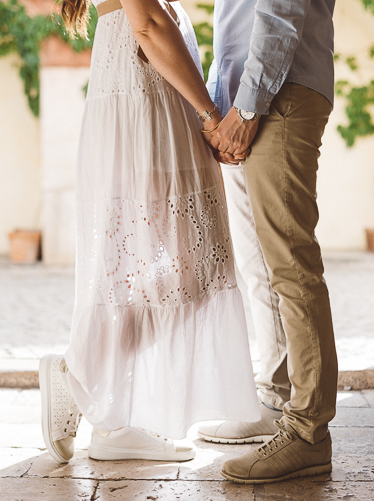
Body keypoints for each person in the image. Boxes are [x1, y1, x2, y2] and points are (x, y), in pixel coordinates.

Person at [38, 0, 260, 465]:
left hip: (146, 92)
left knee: (163, 265)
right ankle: (92, 388)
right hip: (145, 97)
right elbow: (149, 22)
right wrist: (211, 114)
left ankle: (110, 413)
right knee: (192, 264)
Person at [198, 0, 340, 484]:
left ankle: (307, 434)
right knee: (262, 265)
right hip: (249, 97)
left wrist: (246, 105)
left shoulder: (261, 99)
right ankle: (281, 400)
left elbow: (282, 9)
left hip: (277, 95)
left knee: (291, 265)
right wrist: (221, 104)